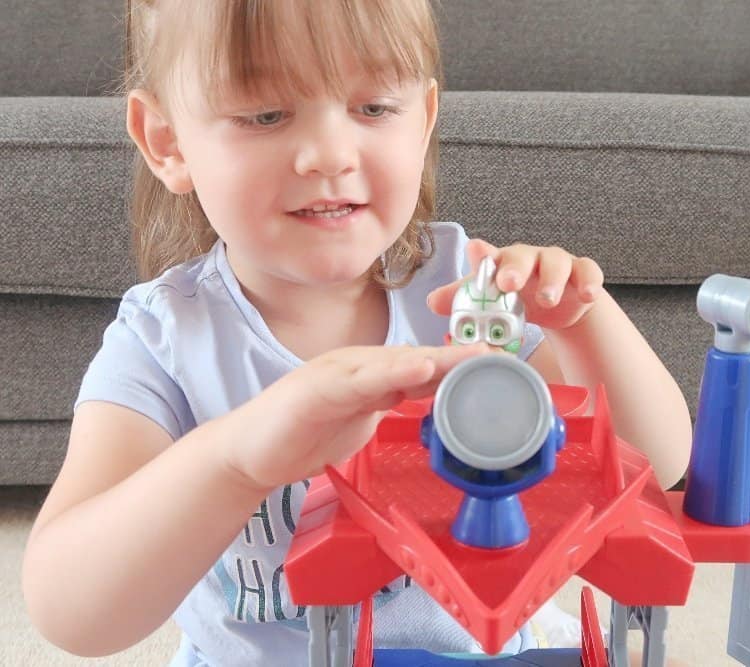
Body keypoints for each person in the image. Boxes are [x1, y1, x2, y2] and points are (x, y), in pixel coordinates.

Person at [21, 0, 692, 664]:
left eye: (373, 108)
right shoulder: (166, 336)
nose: (329, 154)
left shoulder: (466, 291)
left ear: (422, 120)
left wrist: (582, 324)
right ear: (168, 142)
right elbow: (70, 610)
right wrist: (233, 461)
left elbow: (656, 472)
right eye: (264, 114)